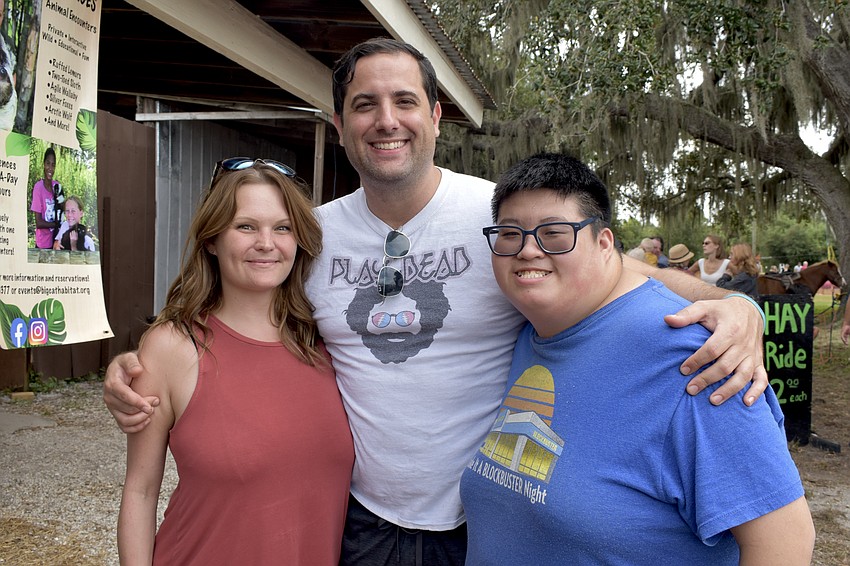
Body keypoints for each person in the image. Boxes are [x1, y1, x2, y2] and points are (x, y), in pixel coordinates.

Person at [104, 39, 770, 565]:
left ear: (435, 116)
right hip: (357, 521)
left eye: (403, 101)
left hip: (486, 519)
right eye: (365, 105)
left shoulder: (496, 217)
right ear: (340, 124)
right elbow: (235, 309)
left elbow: (610, 272)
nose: (386, 120)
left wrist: (738, 308)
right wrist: (138, 366)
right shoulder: (312, 235)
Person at [461, 152, 814, 565]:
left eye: (554, 232)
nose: (527, 250)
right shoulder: (531, 332)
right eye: (509, 234)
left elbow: (785, 541)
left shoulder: (697, 359)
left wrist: (740, 305)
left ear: (604, 243)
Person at [117, 159, 354, 564]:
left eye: (282, 227)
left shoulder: (327, 341)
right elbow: (140, 492)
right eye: (245, 226)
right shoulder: (172, 347)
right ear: (212, 240)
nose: (266, 242)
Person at [30, 147, 65, 249]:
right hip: (43, 244)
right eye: (48, 163)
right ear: (44, 164)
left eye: (53, 165)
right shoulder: (38, 188)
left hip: (56, 242)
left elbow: (63, 213)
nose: (50, 168)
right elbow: (39, 223)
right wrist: (56, 225)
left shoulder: (58, 186)